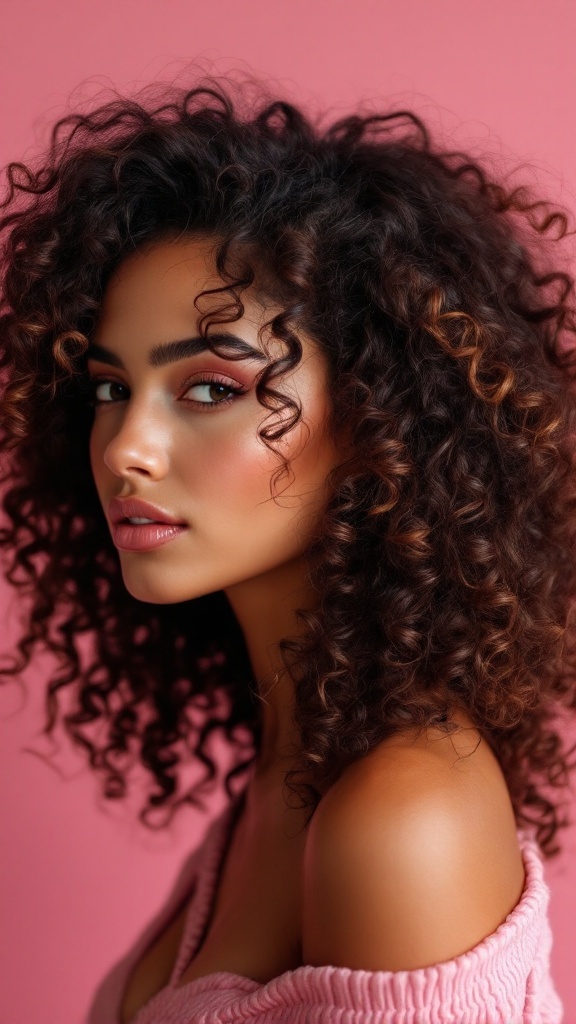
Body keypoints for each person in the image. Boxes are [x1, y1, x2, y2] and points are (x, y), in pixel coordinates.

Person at [0, 73, 574, 1024]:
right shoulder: (289, 764)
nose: (127, 447)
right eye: (110, 390)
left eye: (213, 388)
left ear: (377, 420)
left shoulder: (402, 817)